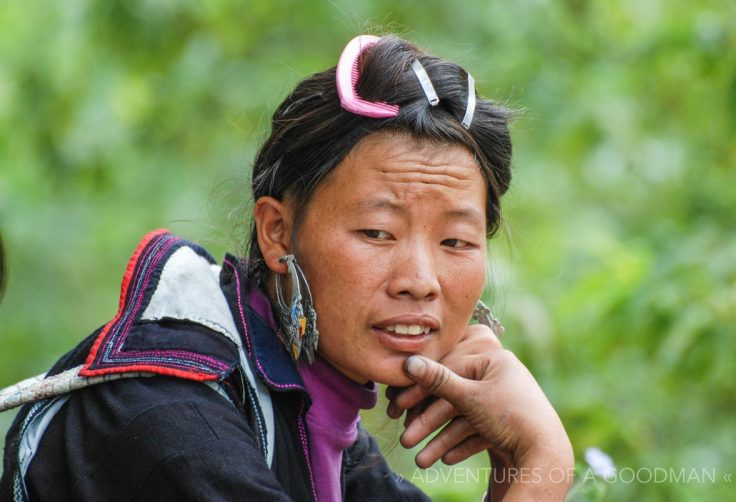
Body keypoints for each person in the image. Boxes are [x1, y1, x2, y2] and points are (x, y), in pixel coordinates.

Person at [0, 34, 573, 501]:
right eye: (377, 232)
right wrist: (545, 461)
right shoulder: (171, 419)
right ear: (277, 233)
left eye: (456, 241)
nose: (420, 281)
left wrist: (515, 466)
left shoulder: (314, 423)